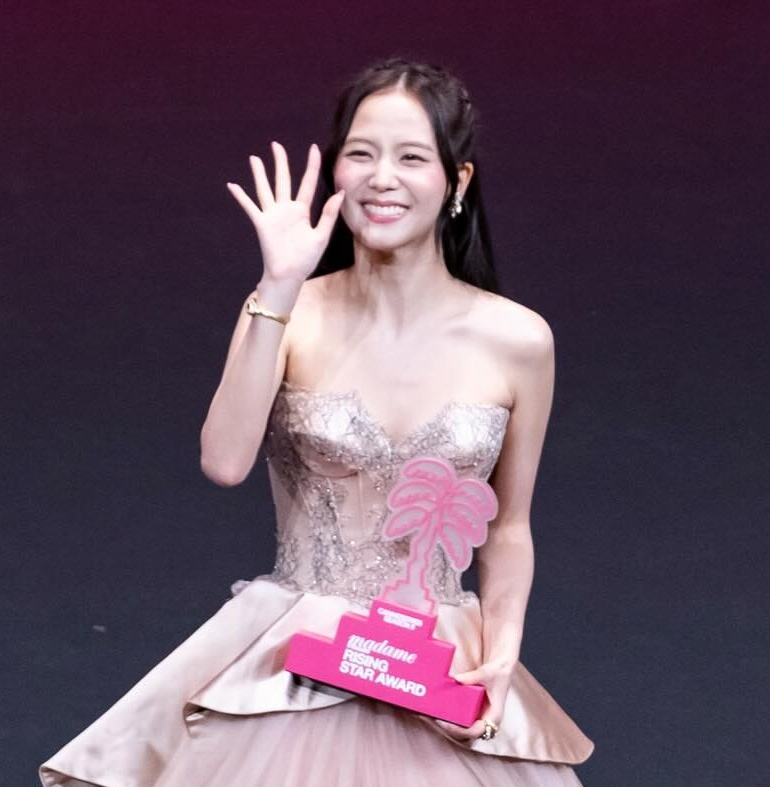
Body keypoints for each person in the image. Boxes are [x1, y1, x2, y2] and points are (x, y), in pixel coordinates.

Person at [40, 58, 594, 787]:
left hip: (438, 662)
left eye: (411, 157)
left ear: (456, 181)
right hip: (297, 660)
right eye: (361, 154)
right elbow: (224, 460)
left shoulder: (519, 339)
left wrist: (503, 641)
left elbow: (510, 526)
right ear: (336, 170)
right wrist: (278, 286)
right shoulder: (289, 312)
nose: (382, 178)